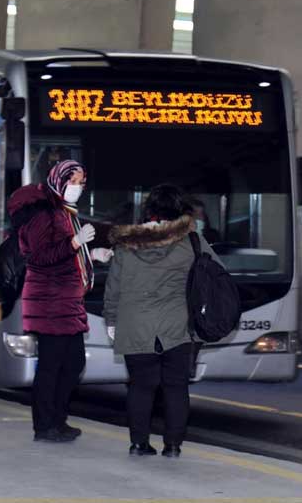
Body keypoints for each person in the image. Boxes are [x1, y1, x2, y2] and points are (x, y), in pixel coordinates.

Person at [103, 184, 221, 457]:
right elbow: (216, 274)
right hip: (177, 326)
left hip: (135, 325)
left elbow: (114, 288)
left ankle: (138, 443)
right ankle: (173, 445)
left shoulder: (126, 244)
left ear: (149, 211)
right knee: (176, 386)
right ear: (180, 211)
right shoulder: (192, 242)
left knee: (141, 386)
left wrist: (111, 320)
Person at [7, 160, 112, 443]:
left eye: (82, 182)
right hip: (49, 301)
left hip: (66, 300)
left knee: (73, 363)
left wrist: (93, 254)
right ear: (59, 181)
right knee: (52, 366)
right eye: (75, 181)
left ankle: (57, 419)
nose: (79, 187)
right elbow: (41, 257)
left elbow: (66, 254)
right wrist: (76, 243)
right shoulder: (44, 214)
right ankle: (45, 425)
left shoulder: (65, 212)